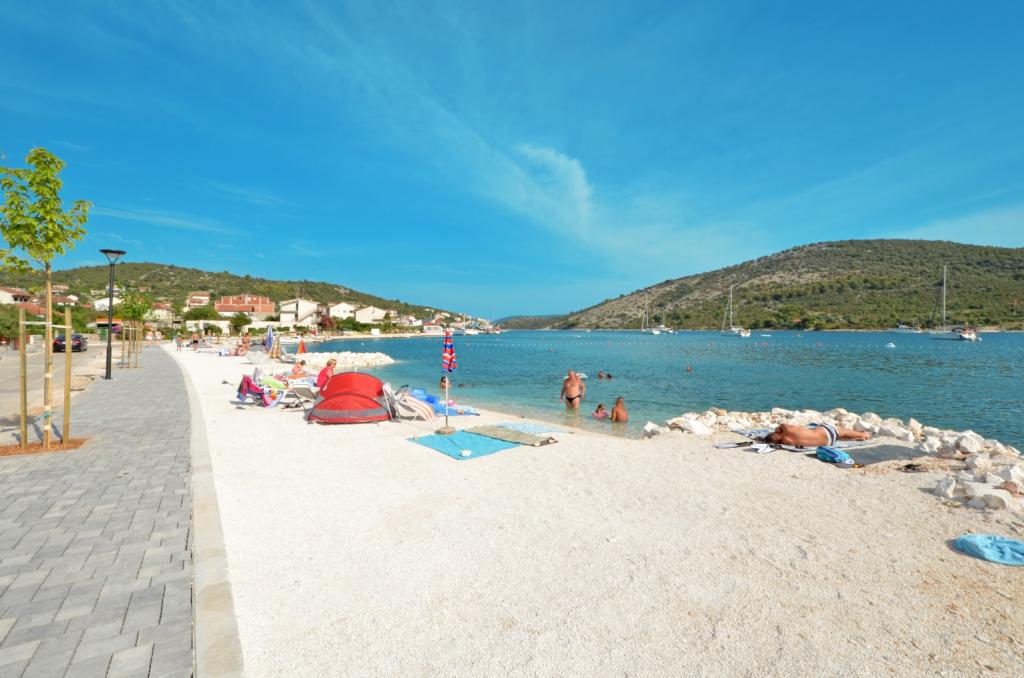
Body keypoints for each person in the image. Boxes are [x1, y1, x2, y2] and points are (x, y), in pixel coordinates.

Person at [763, 422, 870, 447]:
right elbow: (782, 425)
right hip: (826, 431)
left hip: (827, 443)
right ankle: (862, 435)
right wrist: (778, 429)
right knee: (839, 431)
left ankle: (858, 436)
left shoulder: (786, 442)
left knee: (837, 435)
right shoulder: (786, 428)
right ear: (776, 433)